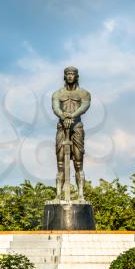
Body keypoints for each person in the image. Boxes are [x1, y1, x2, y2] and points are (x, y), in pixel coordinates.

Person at [52, 66, 91, 200]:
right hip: (62, 128)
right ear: (64, 76)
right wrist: (63, 116)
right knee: (61, 164)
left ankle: (81, 194)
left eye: (72, 74)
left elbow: (84, 107)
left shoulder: (84, 93)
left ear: (76, 76)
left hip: (77, 128)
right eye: (67, 74)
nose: (70, 76)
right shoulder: (57, 94)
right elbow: (56, 107)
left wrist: (71, 116)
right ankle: (58, 195)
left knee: (78, 163)